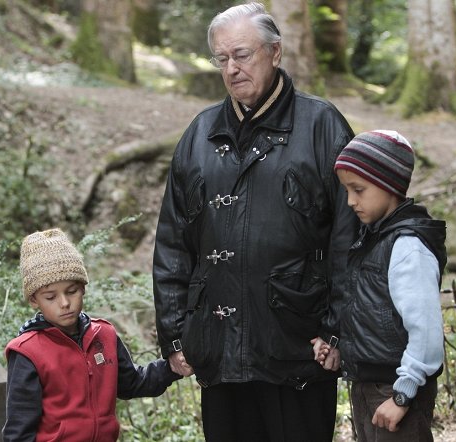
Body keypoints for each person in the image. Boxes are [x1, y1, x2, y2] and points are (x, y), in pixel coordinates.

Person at [152, 3, 359, 440]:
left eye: (242, 55)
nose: (231, 68)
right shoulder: (200, 134)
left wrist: (337, 333)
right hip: (220, 347)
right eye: (221, 58)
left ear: (275, 52)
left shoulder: (322, 126)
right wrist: (174, 337)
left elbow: (350, 240)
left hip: (300, 346)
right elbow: (173, 243)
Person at [316, 130, 446, 441]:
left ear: (388, 185)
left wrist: (403, 395)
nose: (350, 201)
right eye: (347, 190)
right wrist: (338, 345)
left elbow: (426, 332)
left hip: (396, 390)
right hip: (369, 386)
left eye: (358, 189)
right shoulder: (373, 239)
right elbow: (368, 311)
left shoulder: (408, 248)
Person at [3, 228, 181, 442]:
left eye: (72, 291)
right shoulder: (27, 352)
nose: (65, 303)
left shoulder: (104, 334)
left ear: (83, 288)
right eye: (50, 297)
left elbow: (132, 383)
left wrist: (172, 367)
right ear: (34, 300)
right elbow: (19, 431)